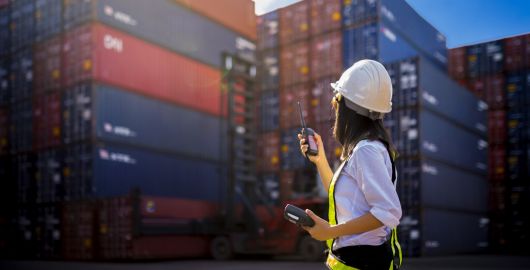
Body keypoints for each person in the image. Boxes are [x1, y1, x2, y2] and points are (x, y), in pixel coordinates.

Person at [297, 59, 402, 270]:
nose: (334, 107)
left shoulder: (366, 151)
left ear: (348, 107)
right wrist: (320, 160)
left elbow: (388, 212)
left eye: (336, 99)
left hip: (361, 262)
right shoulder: (369, 149)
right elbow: (346, 201)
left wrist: (329, 231)